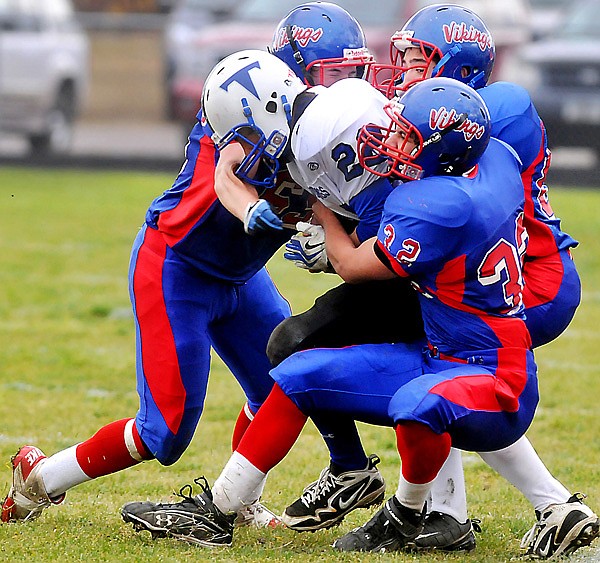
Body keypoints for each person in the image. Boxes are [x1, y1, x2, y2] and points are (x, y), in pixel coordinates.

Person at [122, 76, 544, 555]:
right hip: (441, 348)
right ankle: (218, 513)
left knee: (419, 404)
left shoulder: (435, 207)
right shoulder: (494, 163)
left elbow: (348, 264)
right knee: (297, 371)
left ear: (442, 152)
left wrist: (320, 204)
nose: (391, 143)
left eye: (407, 137)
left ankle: (408, 516)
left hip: (487, 370)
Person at [0, 2, 377, 525]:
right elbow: (228, 176)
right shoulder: (247, 108)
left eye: (354, 71)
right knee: (166, 432)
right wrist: (253, 209)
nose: (348, 84)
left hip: (243, 276)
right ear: (292, 72)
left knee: (285, 385)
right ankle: (42, 476)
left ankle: (239, 497)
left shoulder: (328, 123)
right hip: (177, 268)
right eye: (335, 72)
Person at [269, 4, 595, 558]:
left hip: (527, 277)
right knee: (447, 378)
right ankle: (474, 511)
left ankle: (518, 508)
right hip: (491, 265)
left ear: (459, 68)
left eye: (419, 61)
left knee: (451, 374)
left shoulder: (496, 111)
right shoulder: (452, 113)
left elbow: (444, 212)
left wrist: (355, 243)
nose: (405, 75)